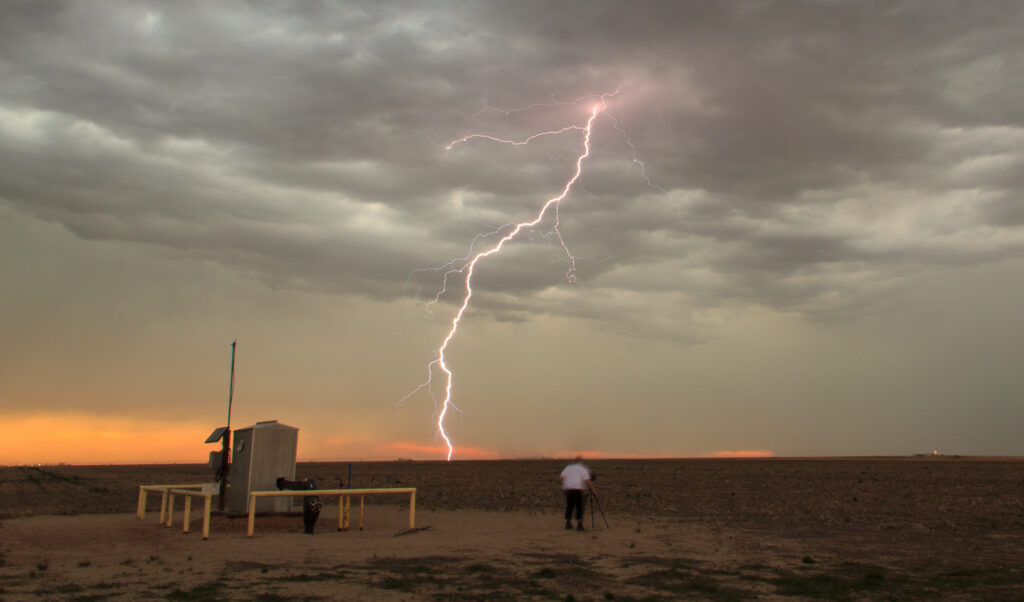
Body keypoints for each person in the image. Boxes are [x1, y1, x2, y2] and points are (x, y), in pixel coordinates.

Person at [559, 456, 595, 531]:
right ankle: (579, 524)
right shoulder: (583, 468)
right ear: (580, 462)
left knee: (570, 505)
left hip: (568, 489)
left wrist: (565, 485)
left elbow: (561, 477)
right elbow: (588, 480)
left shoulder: (568, 467)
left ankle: (568, 523)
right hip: (578, 489)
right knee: (579, 506)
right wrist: (593, 490)